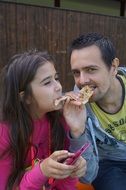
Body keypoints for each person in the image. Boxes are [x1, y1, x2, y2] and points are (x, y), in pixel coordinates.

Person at [0, 50, 87, 190]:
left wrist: (72, 171)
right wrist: (42, 171)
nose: (59, 87)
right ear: (26, 97)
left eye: (56, 78)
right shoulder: (5, 133)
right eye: (47, 82)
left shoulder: (61, 120)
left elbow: (66, 185)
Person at [68, 32, 126, 190]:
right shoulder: (77, 109)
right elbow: (88, 177)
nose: (82, 81)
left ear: (113, 67)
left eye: (91, 69)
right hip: (109, 165)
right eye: (76, 72)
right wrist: (77, 132)